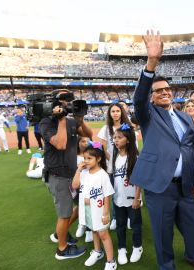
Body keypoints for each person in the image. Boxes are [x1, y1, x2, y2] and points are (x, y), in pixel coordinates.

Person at [130, 30, 194, 270]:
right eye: (158, 91)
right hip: (160, 186)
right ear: (152, 97)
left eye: (167, 89)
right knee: (163, 232)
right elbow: (139, 98)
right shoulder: (148, 114)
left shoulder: (187, 119)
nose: (164, 92)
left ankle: (193, 256)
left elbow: (192, 152)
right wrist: (152, 62)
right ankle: (167, 266)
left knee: (192, 225)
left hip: (186, 185)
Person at [39, 89, 93, 260]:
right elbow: (61, 144)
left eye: (70, 99)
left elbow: (88, 136)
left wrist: (80, 119)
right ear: (54, 103)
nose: (68, 102)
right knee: (64, 214)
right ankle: (61, 250)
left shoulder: (71, 121)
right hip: (57, 175)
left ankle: (59, 234)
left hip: (71, 175)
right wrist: (61, 119)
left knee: (79, 207)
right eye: (64, 100)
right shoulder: (46, 122)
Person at [72, 142, 117, 269]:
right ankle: (98, 252)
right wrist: (79, 170)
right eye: (85, 158)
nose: (86, 161)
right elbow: (75, 185)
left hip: (99, 210)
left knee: (103, 234)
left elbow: (107, 195)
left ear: (98, 159)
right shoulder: (84, 172)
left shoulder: (102, 174)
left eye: (89, 158)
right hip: (87, 209)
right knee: (93, 230)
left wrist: (106, 213)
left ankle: (111, 261)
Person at [112, 123, 143, 265]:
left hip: (132, 198)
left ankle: (137, 246)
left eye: (119, 137)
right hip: (118, 198)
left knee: (136, 224)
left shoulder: (135, 156)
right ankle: (121, 248)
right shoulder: (115, 156)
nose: (116, 140)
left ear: (128, 140)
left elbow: (139, 180)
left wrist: (137, 198)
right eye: (114, 137)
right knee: (120, 225)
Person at [97, 103, 132, 230]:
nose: (116, 113)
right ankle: (116, 217)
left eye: (118, 111)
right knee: (114, 191)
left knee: (128, 189)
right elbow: (103, 147)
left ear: (122, 112)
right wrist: (112, 161)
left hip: (127, 164)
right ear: (110, 114)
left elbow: (132, 146)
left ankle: (129, 217)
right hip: (112, 166)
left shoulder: (127, 127)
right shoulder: (106, 128)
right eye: (113, 111)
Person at [75, 136, 94, 243]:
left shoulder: (91, 155)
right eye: (83, 141)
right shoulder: (74, 156)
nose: (85, 143)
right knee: (80, 206)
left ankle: (89, 230)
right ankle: (81, 224)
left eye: (88, 141)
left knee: (89, 207)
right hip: (79, 184)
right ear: (78, 143)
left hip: (90, 184)